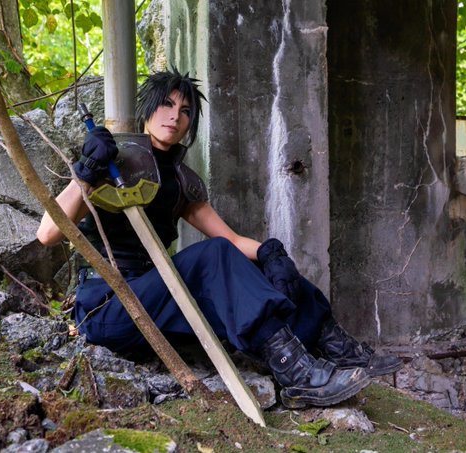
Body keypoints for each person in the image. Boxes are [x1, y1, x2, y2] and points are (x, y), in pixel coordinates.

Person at [36, 68, 403, 409]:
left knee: (265, 263)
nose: (175, 116)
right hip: (108, 308)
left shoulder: (182, 180)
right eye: (166, 104)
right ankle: (296, 372)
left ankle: (334, 347)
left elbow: (231, 239)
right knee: (213, 255)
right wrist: (87, 172)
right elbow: (48, 234)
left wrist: (271, 253)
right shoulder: (111, 160)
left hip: (158, 300)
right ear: (147, 109)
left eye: (185, 111)